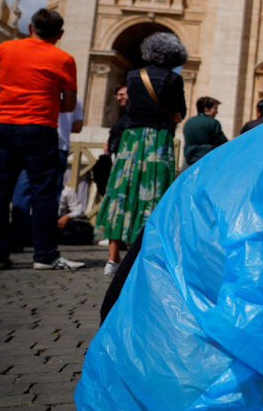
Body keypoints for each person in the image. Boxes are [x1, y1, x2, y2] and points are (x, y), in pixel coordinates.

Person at [94, 32, 187, 277]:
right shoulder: (173, 79)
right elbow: (180, 112)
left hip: (132, 140)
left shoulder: (133, 76)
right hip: (157, 141)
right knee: (154, 193)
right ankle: (143, 255)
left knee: (122, 191)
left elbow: (131, 107)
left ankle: (112, 258)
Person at [0, 8, 84, 271]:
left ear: (30, 28)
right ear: (60, 34)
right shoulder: (64, 59)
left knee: (0, 191)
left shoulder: (4, 50)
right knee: (44, 194)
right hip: (39, 128)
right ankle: (44, 256)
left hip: (2, 124)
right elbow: (69, 105)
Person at [95, 85, 130, 197]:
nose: (118, 98)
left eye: (122, 95)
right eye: (117, 96)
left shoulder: (132, 118)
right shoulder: (123, 118)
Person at [183, 96, 228, 166]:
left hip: (189, 162)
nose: (217, 112)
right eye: (215, 108)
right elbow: (223, 142)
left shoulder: (188, 122)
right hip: (207, 161)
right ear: (206, 108)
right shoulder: (213, 122)